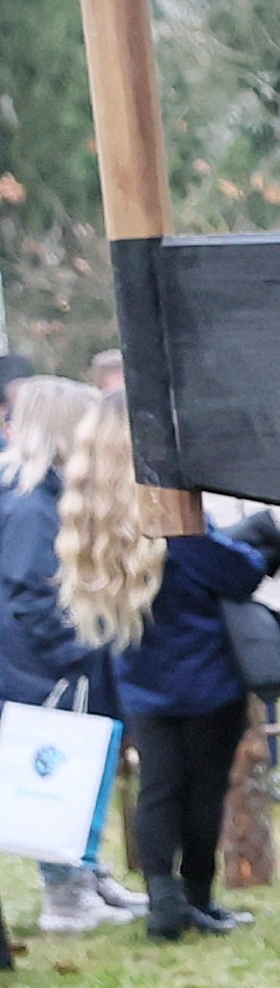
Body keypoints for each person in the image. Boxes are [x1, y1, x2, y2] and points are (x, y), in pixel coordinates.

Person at [53, 400, 280, 940]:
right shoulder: (172, 522)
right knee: (203, 789)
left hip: (140, 678)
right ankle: (198, 897)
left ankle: (162, 901)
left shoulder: (94, 525)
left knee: (158, 789)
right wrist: (256, 540)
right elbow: (240, 571)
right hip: (206, 675)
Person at [3, 378, 137, 933]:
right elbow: (30, 594)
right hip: (41, 670)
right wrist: (76, 651)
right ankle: (64, 893)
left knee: (76, 771)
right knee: (55, 775)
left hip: (43, 663)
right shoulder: (30, 505)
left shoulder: (37, 495)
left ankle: (86, 873)